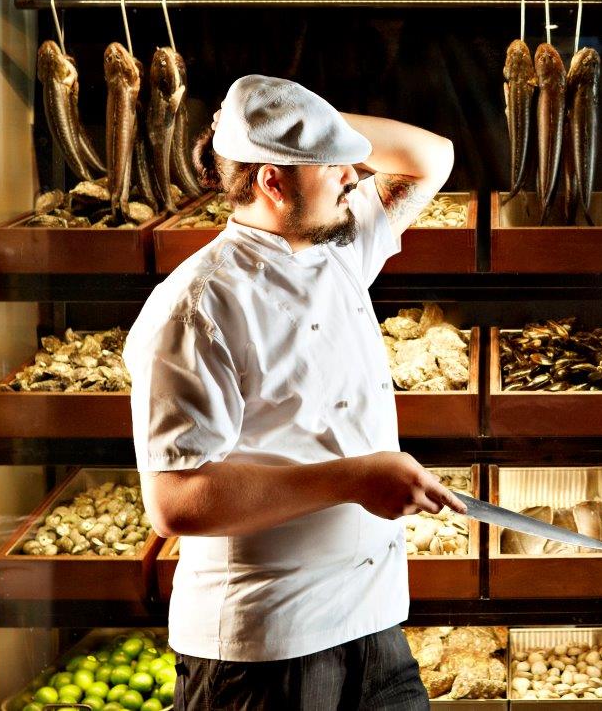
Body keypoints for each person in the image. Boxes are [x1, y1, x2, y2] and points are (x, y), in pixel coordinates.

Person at [123, 75, 466, 709]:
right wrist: (356, 478)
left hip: (373, 624)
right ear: (273, 183)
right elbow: (175, 502)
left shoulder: (337, 249)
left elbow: (431, 157)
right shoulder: (195, 307)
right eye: (332, 164)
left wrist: (288, 119)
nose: (354, 175)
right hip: (266, 647)